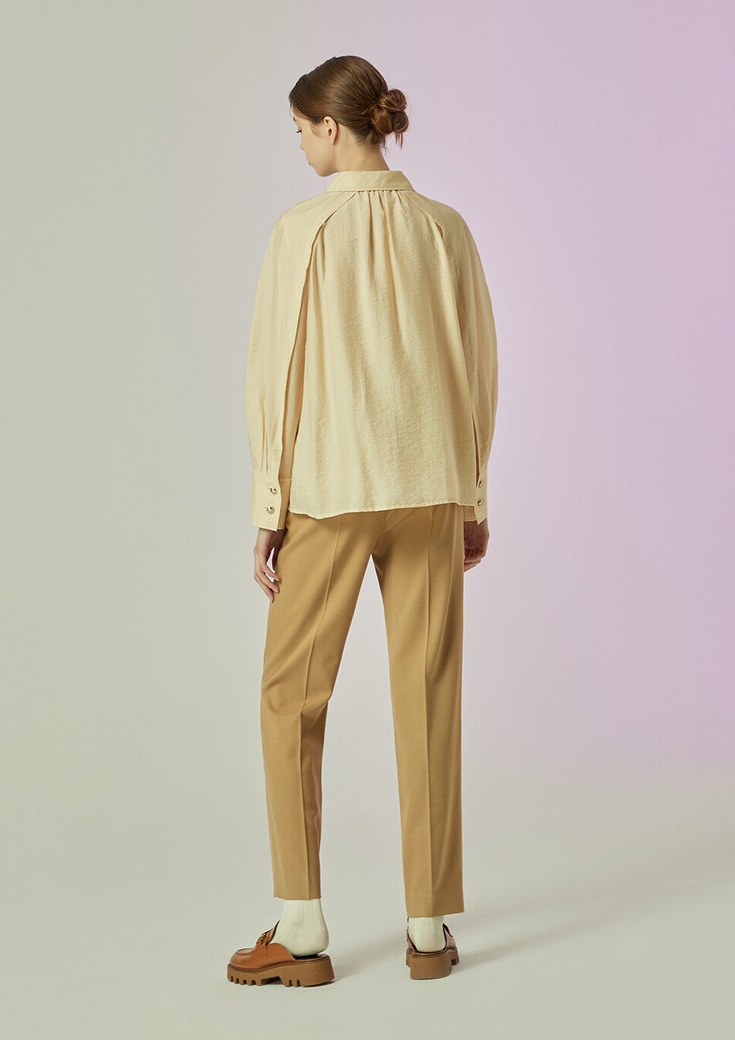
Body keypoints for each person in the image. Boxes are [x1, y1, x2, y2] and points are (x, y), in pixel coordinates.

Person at [227, 55, 498, 986]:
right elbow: (477, 366)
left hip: (329, 490)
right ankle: (428, 928)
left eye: (302, 131)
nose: (301, 146)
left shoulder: (301, 231)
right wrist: (473, 496)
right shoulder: (445, 228)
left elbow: (276, 374)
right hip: (430, 488)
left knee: (290, 698)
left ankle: (301, 928)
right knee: (430, 693)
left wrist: (269, 507)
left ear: (333, 128)